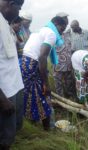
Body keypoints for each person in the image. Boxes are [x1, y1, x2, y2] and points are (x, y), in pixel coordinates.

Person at [20, 16, 67, 130]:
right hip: (33, 65)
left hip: (25, 63)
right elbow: (42, 57)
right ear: (56, 24)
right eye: (62, 29)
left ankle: (32, 121)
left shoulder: (41, 30)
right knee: (44, 94)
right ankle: (48, 128)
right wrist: (46, 83)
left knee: (30, 95)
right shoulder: (51, 34)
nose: (61, 32)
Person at [0, 0, 24, 149]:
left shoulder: (6, 24)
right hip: (4, 93)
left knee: (11, 131)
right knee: (4, 137)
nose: (19, 13)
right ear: (10, 4)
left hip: (14, 87)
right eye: (19, 8)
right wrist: (2, 99)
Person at [53, 13, 75, 97]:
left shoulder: (69, 31)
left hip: (68, 62)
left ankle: (70, 97)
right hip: (58, 62)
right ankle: (61, 98)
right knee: (58, 81)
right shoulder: (54, 31)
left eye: (67, 18)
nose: (67, 19)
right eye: (65, 18)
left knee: (69, 81)